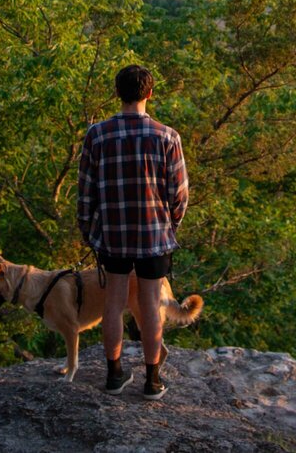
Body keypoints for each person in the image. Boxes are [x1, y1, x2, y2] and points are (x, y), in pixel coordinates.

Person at [76, 64, 189, 399]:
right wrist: (171, 225)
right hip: (154, 237)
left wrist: (87, 227)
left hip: (111, 235)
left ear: (117, 93)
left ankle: (114, 375)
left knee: (113, 301)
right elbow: (179, 194)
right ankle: (152, 381)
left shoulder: (96, 135)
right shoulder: (167, 136)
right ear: (149, 94)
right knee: (151, 303)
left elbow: (86, 190)